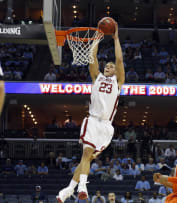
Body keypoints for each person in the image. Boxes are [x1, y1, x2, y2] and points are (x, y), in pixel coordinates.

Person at [57, 21, 125, 203]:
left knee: (87, 158)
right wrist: (96, 38)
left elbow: (119, 60)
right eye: (107, 66)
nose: (109, 67)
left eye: (111, 67)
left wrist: (116, 38)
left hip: (107, 127)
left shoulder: (118, 83)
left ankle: (68, 189)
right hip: (93, 121)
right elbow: (92, 57)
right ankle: (81, 187)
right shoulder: (97, 77)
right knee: (87, 155)